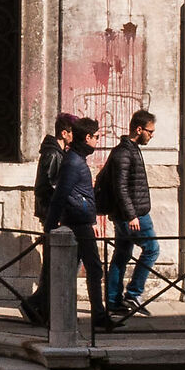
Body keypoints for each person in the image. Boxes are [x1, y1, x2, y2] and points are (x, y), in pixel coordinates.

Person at [49, 117, 121, 333]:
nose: (98, 140)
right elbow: (61, 194)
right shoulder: (74, 163)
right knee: (94, 269)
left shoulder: (76, 160)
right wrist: (52, 226)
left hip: (81, 222)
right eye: (97, 137)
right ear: (87, 137)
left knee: (73, 270)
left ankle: (49, 310)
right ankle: (98, 316)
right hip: (78, 225)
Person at [100, 109, 160, 317]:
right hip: (134, 216)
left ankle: (113, 302)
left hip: (130, 213)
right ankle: (133, 293)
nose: (152, 135)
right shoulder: (124, 153)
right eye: (150, 131)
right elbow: (121, 187)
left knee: (121, 256)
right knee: (152, 249)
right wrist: (131, 215)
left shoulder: (130, 149)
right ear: (139, 129)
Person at [21, 111, 75, 324]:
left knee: (52, 262)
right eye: (72, 133)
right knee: (54, 262)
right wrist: (60, 214)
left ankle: (41, 307)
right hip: (52, 214)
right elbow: (53, 187)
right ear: (64, 133)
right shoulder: (53, 154)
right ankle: (36, 305)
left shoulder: (57, 152)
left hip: (52, 213)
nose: (75, 136)